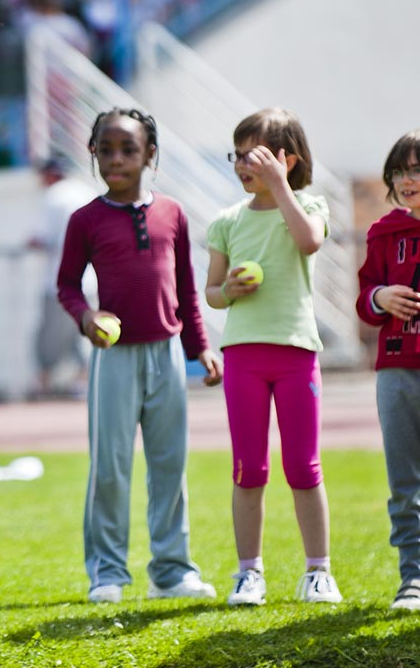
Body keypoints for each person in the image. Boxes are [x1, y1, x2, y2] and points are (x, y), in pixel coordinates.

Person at [58, 108, 222, 604]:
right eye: (105, 149)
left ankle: (172, 571)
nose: (116, 159)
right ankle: (107, 572)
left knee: (169, 463)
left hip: (167, 354)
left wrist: (201, 348)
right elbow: (66, 285)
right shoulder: (84, 219)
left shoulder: (172, 213)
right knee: (110, 467)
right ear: (92, 153)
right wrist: (86, 318)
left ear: (150, 154)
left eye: (128, 149)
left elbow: (188, 290)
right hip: (114, 360)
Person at [205, 108, 342, 606]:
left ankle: (318, 571)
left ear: (288, 160)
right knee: (249, 468)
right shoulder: (226, 222)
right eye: (237, 154)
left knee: (304, 467)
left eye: (255, 155)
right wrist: (229, 289)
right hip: (243, 356)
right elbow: (212, 293)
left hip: (296, 354)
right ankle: (249, 573)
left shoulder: (308, 204)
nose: (244, 164)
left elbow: (309, 241)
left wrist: (281, 187)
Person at [356, 130, 420, 611]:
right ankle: (412, 580)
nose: (407, 179)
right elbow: (364, 296)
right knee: (404, 483)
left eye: (417, 170)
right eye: (399, 171)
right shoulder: (383, 232)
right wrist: (381, 297)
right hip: (396, 369)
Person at [27, 157, 97, 399]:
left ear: (50, 174)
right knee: (85, 330)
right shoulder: (87, 192)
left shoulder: (54, 196)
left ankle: (43, 383)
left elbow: (42, 238)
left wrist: (30, 243)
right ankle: (84, 380)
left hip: (59, 280)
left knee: (49, 334)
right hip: (89, 278)